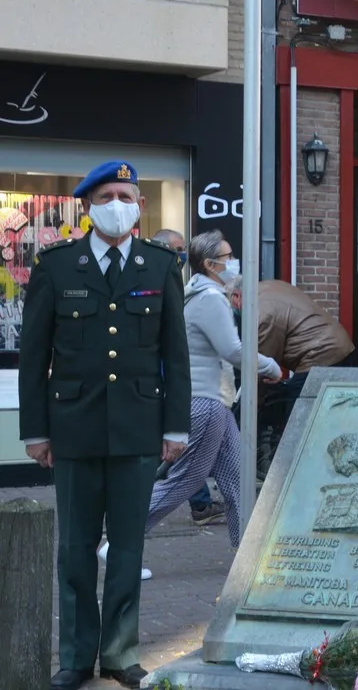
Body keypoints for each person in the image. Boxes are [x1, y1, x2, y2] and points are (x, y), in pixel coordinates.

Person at [19, 161, 191, 690]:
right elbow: (33, 355)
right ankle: (75, 656)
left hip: (140, 427)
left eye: (127, 195)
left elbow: (175, 355)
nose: (118, 203)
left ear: (140, 206)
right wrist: (36, 430)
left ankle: (119, 653)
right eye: (108, 195)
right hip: (73, 427)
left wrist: (175, 428)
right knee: (74, 549)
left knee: (126, 548)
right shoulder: (57, 265)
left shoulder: (160, 265)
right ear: (89, 205)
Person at [101, 230, 283, 578]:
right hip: (206, 402)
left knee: (237, 478)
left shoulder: (201, 294)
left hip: (213, 401)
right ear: (211, 264)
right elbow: (232, 350)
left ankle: (250, 555)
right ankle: (120, 544)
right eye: (228, 257)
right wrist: (271, 365)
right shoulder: (210, 299)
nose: (234, 263)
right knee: (186, 480)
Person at [151, 228, 225, 526]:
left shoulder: (178, 284)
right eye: (178, 249)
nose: (183, 256)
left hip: (179, 380)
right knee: (177, 452)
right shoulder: (152, 282)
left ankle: (207, 505)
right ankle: (131, 513)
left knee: (193, 450)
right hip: (158, 380)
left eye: (184, 249)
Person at [226, 276, 355, 409]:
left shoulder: (262, 315)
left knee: (299, 412)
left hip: (320, 353)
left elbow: (259, 368)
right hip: (340, 344)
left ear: (236, 297)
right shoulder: (270, 286)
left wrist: (248, 409)